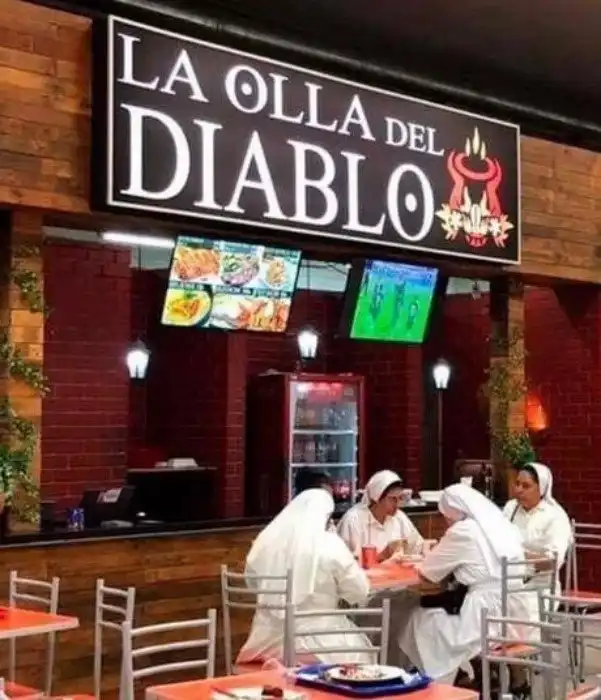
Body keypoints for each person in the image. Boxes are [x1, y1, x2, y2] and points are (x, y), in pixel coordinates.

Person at [398, 484, 525, 684]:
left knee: (419, 619)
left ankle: (443, 681)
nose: (445, 521)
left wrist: (430, 553)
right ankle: (469, 676)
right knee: (435, 616)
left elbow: (429, 572)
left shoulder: (463, 530)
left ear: (452, 511)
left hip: (486, 617)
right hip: (519, 617)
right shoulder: (503, 527)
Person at [237, 488, 375, 665]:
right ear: (325, 517)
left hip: (266, 643)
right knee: (360, 655)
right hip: (321, 644)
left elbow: (253, 581)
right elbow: (359, 591)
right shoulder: (329, 544)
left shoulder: (267, 542)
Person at [338, 470, 422, 561]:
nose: (397, 504)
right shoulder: (353, 520)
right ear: (376, 498)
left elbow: (417, 546)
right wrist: (383, 555)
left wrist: (427, 546)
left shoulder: (399, 517)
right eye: (393, 499)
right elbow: (346, 561)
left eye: (400, 498)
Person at [503, 461, 572, 569]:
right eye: (517, 484)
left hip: (538, 579)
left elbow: (553, 561)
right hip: (507, 575)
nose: (518, 490)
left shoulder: (555, 516)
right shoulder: (510, 507)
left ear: (541, 489)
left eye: (526, 486)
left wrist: (519, 556)